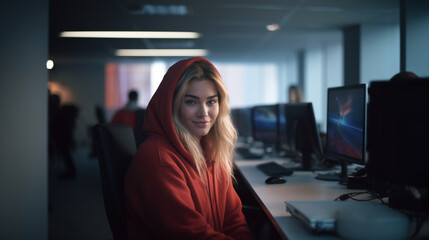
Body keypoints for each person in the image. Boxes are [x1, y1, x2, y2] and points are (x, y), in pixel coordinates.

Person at [124, 57, 254, 240]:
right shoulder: (160, 163)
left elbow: (234, 221)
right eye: (191, 102)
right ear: (173, 106)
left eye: (211, 102)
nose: (204, 113)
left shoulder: (210, 153)